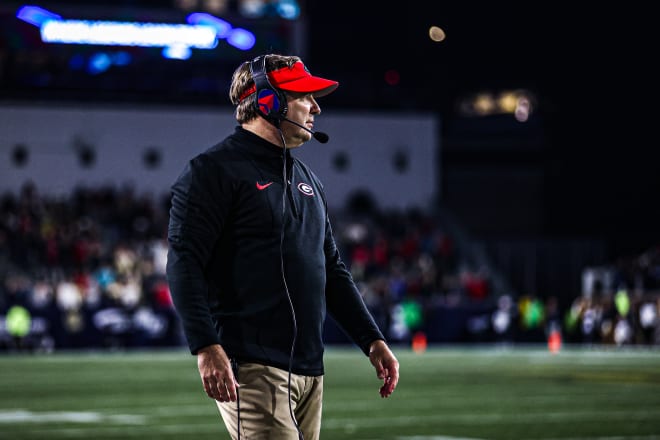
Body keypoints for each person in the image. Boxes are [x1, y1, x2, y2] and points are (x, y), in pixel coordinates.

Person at [166, 53, 399, 440]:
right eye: (305, 96)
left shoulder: (308, 179)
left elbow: (331, 269)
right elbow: (184, 261)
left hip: (311, 370)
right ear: (269, 102)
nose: (316, 107)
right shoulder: (212, 171)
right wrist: (206, 345)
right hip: (252, 366)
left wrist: (372, 339)